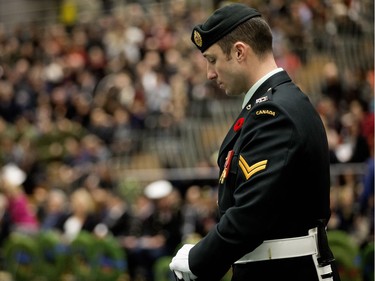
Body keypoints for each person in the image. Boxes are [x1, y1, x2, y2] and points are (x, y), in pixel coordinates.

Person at [169, 3, 341, 281]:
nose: (210, 74)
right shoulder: (274, 105)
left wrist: (198, 259)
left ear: (239, 52)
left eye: (212, 60)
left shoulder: (273, 113)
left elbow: (252, 213)